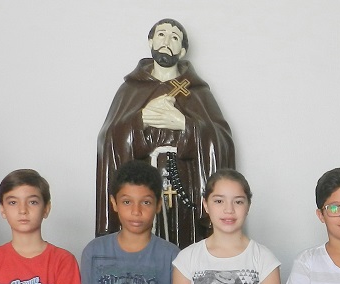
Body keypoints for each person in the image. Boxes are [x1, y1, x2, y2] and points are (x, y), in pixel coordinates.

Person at [95, 18, 236, 247]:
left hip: (186, 183)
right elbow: (109, 137)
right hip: (142, 182)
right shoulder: (131, 89)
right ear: (150, 41)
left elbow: (221, 140)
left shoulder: (197, 91)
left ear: (182, 51)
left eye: (174, 37)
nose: (166, 41)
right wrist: (139, 120)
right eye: (161, 34)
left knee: (187, 242)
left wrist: (185, 124)